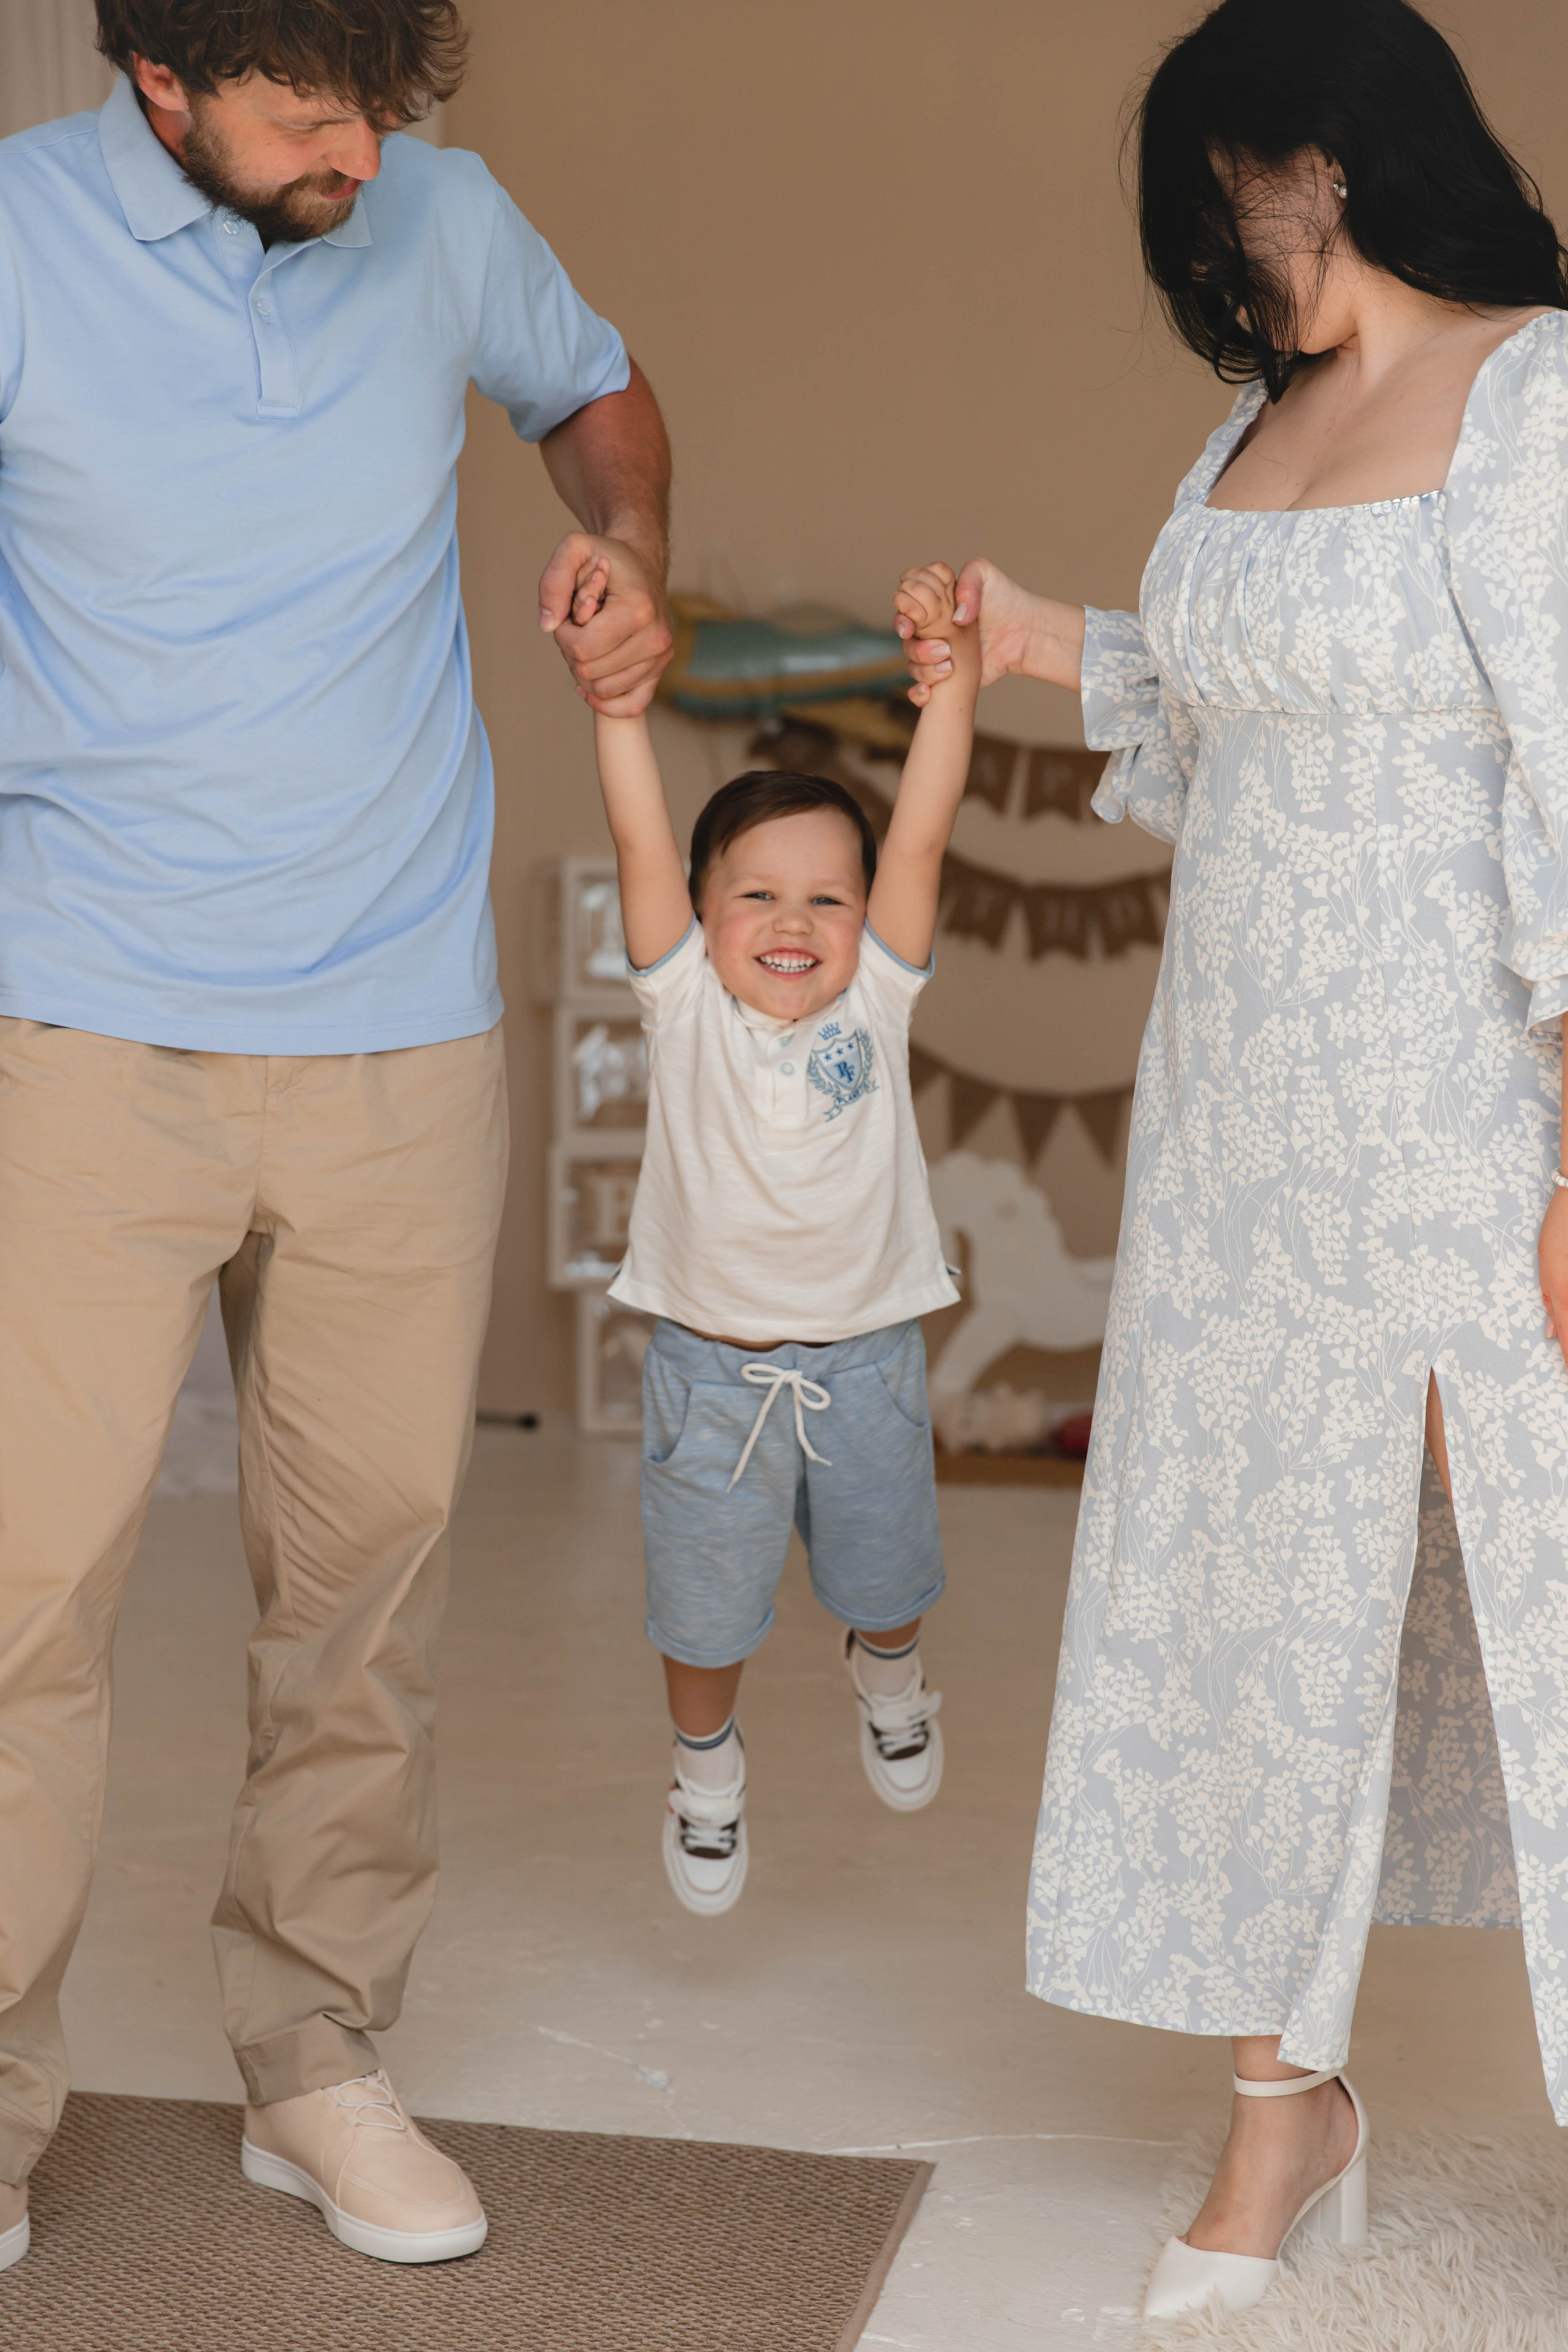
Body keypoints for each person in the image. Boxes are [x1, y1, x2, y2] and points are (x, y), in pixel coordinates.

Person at [900, 0, 1568, 2321]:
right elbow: (1208, 710)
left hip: (1466, 1111)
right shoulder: (1251, 430)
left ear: (1327, 154)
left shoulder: (1533, 402)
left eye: (1222, 191)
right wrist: (1026, 631)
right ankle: (1288, 2108)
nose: (1209, 246)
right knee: (1249, 1601)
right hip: (1238, 1132)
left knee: (1548, 1594)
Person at [0, 0, 672, 2272]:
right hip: (81, 1020)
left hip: (403, 1023)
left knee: (367, 1584)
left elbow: (597, 389)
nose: (363, 160)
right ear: (161, 82)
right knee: (20, 1593)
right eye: (309, 112)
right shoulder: (9, 245)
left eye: (383, 106)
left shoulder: (445, 215)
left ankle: (318, 2065)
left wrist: (629, 541)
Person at [586, 558, 976, 1913]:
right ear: (699, 915)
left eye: (826, 897)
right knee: (699, 1611)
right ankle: (706, 1774)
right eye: (755, 895)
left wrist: (954, 688)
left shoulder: (876, 1005)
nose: (793, 923)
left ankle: (888, 1674)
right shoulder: (680, 1004)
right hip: (713, 1379)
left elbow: (920, 838)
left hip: (862, 1366)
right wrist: (617, 710)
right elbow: (640, 841)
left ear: (865, 922)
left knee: (887, 1582)